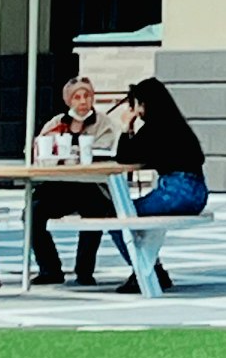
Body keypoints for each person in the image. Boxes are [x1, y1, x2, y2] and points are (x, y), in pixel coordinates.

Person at [77, 75, 208, 295]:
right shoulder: (177, 125)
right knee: (130, 215)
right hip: (196, 191)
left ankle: (143, 270)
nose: (136, 110)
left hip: (175, 192)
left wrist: (126, 126)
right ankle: (152, 268)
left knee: (117, 217)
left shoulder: (154, 128)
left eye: (137, 105)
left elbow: (125, 157)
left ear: (145, 104)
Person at [27, 72, 123, 286]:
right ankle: (50, 268)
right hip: (60, 185)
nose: (83, 102)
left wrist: (71, 153)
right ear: (68, 100)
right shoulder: (56, 123)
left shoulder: (103, 123)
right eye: (77, 97)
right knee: (33, 211)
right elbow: (38, 151)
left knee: (97, 211)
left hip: (90, 185)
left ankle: (85, 270)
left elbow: (104, 151)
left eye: (87, 96)